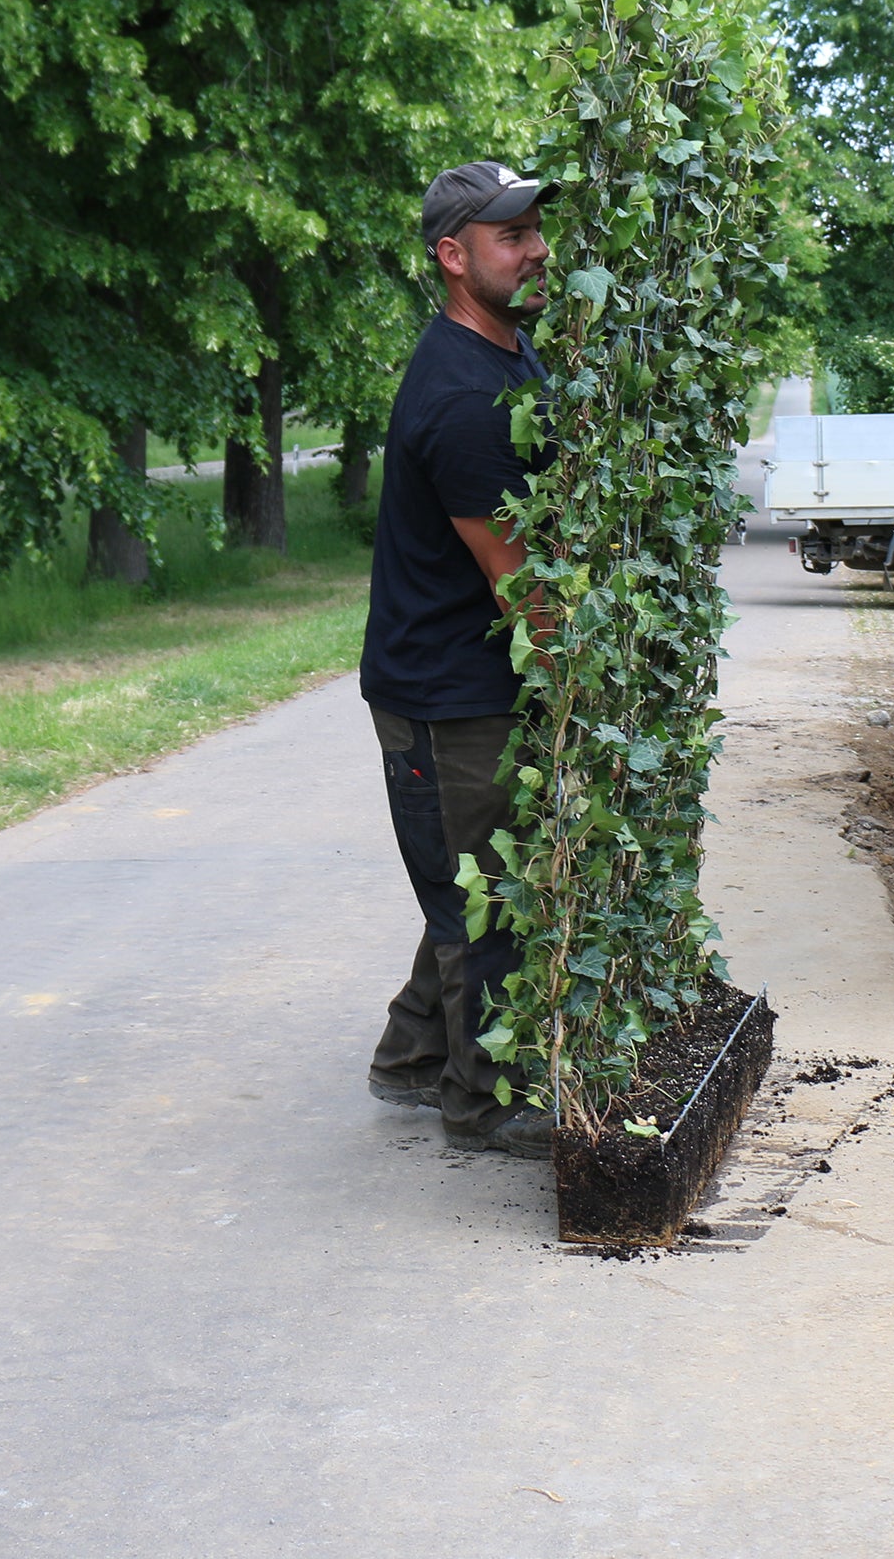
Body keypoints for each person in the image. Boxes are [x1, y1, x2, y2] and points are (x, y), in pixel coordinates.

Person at [358, 160, 558, 1160]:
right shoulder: (463, 401)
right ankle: (482, 1103)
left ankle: (406, 1057)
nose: (534, 250)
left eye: (533, 230)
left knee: (473, 869)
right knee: (483, 897)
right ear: (451, 253)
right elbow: (521, 589)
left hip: (474, 674)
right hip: (445, 691)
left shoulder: (510, 355)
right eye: (510, 235)